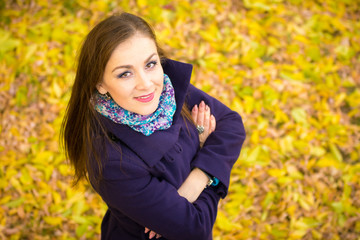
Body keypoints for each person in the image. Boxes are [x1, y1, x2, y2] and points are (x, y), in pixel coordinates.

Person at [61, 12, 246, 240]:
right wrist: (206, 151)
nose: (146, 84)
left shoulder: (168, 91)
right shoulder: (111, 160)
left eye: (150, 64)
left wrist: (198, 180)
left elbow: (231, 123)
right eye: (125, 73)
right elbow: (195, 227)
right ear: (100, 83)